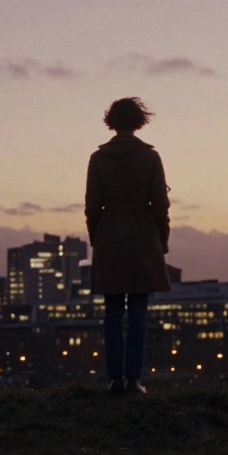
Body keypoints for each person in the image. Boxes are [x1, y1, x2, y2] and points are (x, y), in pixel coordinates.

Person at [85, 97, 171, 395]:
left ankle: (114, 379)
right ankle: (134, 380)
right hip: (143, 234)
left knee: (111, 312)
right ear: (139, 121)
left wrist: (97, 238)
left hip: (109, 235)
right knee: (138, 311)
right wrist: (162, 239)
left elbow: (92, 206)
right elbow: (160, 204)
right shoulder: (150, 158)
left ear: (111, 121)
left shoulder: (98, 159)